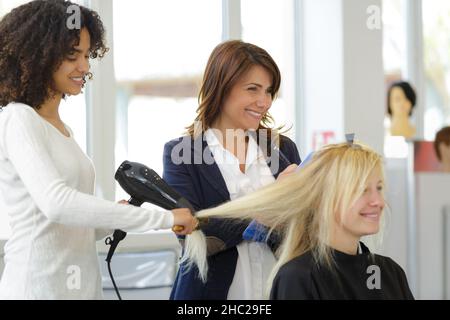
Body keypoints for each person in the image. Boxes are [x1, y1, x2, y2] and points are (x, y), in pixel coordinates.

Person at [0, 0, 197, 300]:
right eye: (71, 55)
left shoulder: (63, 131)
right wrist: (165, 219)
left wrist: (113, 217)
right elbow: (57, 203)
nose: (84, 67)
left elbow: (71, 229)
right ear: (38, 55)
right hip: (36, 289)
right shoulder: (19, 118)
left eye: (86, 55)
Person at [183, 141, 415, 300]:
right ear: (322, 199)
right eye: (362, 190)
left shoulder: (390, 273)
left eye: (379, 188)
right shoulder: (298, 278)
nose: (378, 201)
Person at [163, 40, 301, 300]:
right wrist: (270, 205)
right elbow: (192, 235)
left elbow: (299, 232)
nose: (264, 102)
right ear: (222, 87)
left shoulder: (280, 149)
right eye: (253, 89)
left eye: (269, 91)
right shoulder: (182, 154)